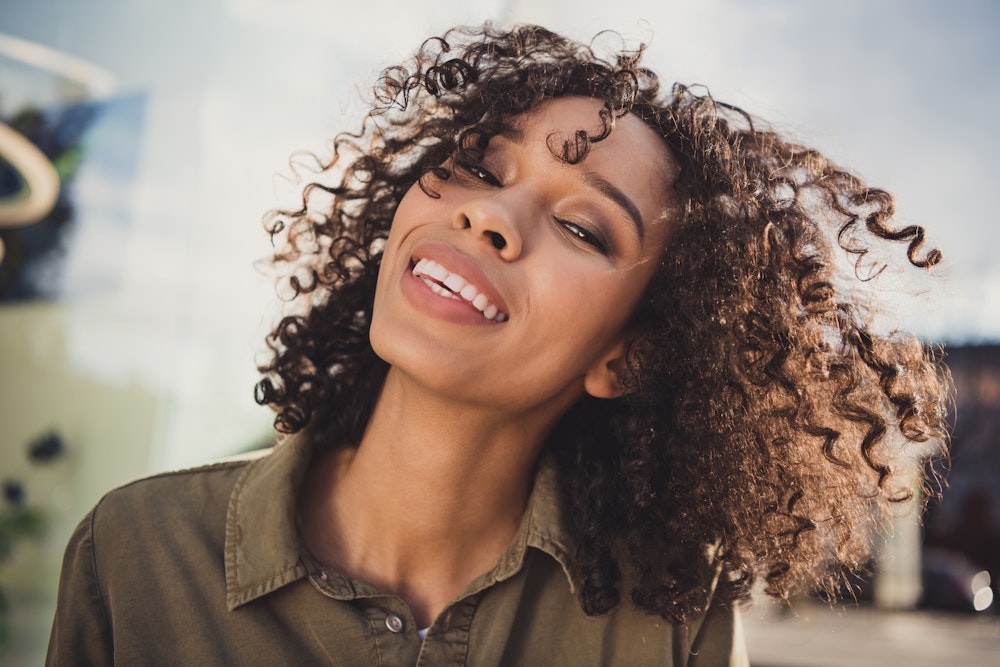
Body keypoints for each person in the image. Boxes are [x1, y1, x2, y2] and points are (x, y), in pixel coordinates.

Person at [46, 23, 951, 666]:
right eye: (482, 167)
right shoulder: (134, 554)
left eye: (586, 228)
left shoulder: (672, 626)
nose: (488, 213)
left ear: (625, 356)